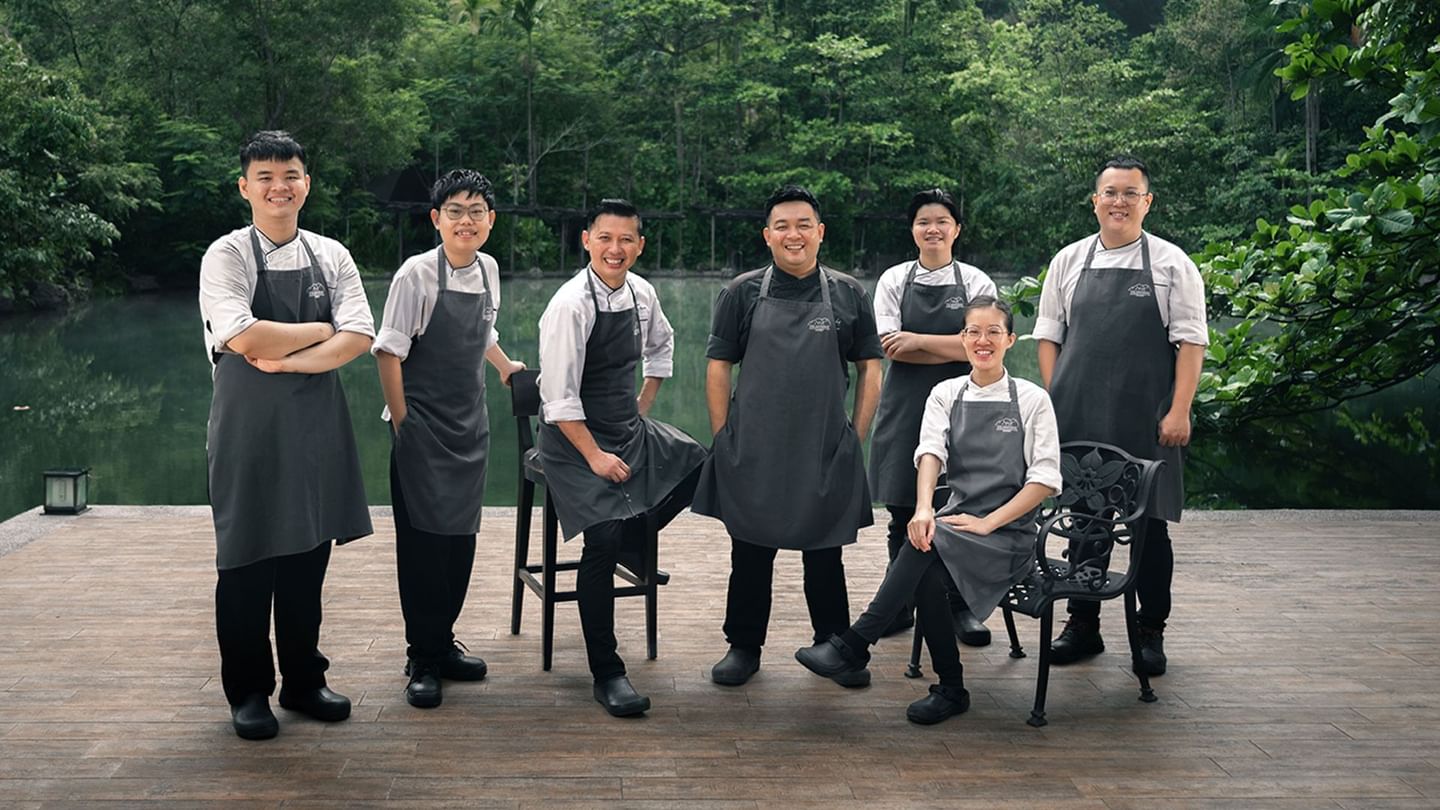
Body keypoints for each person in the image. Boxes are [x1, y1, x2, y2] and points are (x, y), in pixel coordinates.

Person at [795, 296, 1061, 724]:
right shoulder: (946, 393)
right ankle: (949, 688)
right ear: (962, 338)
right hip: (955, 526)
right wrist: (922, 509)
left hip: (1008, 535)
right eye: (973, 331)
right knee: (925, 551)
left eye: (994, 332)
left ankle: (857, 644)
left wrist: (989, 522)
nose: (983, 340)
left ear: (1010, 340)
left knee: (924, 549)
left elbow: (1045, 481)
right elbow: (929, 454)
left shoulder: (1032, 400)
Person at [199, 130, 374, 740]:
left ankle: (304, 680)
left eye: (291, 174)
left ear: (307, 183)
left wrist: (288, 358)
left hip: (316, 427)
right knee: (245, 560)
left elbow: (360, 339)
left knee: (307, 559)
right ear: (245, 186)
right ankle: (248, 691)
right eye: (266, 176)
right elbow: (242, 337)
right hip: (247, 428)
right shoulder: (226, 255)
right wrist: (318, 327)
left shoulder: (332, 254)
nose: (280, 186)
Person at [693, 184, 884, 689]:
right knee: (750, 552)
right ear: (767, 235)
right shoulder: (741, 292)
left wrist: (854, 436)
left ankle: (835, 644)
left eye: (803, 225)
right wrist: (723, 436)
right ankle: (743, 645)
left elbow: (870, 367)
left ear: (820, 233)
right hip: (753, 446)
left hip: (823, 446)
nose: (793, 235)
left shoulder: (848, 293)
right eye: (782, 226)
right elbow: (718, 367)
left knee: (825, 552)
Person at [1034, 155, 1207, 677]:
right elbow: (1048, 336)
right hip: (1079, 417)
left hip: (1147, 420)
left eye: (1130, 193)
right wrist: (1056, 398)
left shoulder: (1173, 264)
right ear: (1095, 200)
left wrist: (1180, 410)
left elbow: (1191, 343)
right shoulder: (1067, 261)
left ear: (1147, 202)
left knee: (1151, 529)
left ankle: (1151, 631)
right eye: (1110, 192)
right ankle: (1082, 625)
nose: (1119, 202)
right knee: (1085, 525)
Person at [535, 199, 708, 717]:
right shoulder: (570, 305)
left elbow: (663, 347)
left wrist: (643, 405)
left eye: (626, 239)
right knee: (603, 536)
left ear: (639, 245)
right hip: (570, 440)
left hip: (625, 426)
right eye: (605, 238)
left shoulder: (642, 293)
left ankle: (637, 542)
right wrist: (594, 457)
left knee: (700, 464)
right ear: (586, 240)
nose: (616, 249)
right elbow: (559, 400)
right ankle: (607, 673)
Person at [373, 169, 525, 709]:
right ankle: (421, 656)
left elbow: (483, 331)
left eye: (477, 211)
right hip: (422, 429)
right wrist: (402, 421)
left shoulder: (488, 269)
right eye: (455, 211)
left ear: (491, 221)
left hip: (470, 428)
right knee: (422, 548)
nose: (467, 220)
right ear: (436, 219)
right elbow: (388, 351)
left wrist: (506, 368)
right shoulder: (416, 275)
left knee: (460, 542)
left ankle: (443, 642)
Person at [867, 189, 998, 643]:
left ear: (956, 229)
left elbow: (982, 348)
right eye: (924, 221)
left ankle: (962, 607)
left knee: (960, 508)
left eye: (942, 221)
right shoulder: (894, 280)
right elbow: (889, 347)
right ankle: (899, 605)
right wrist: (952, 345)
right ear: (913, 230)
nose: (933, 229)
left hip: (969, 406)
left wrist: (917, 341)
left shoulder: (978, 282)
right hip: (905, 407)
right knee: (904, 509)